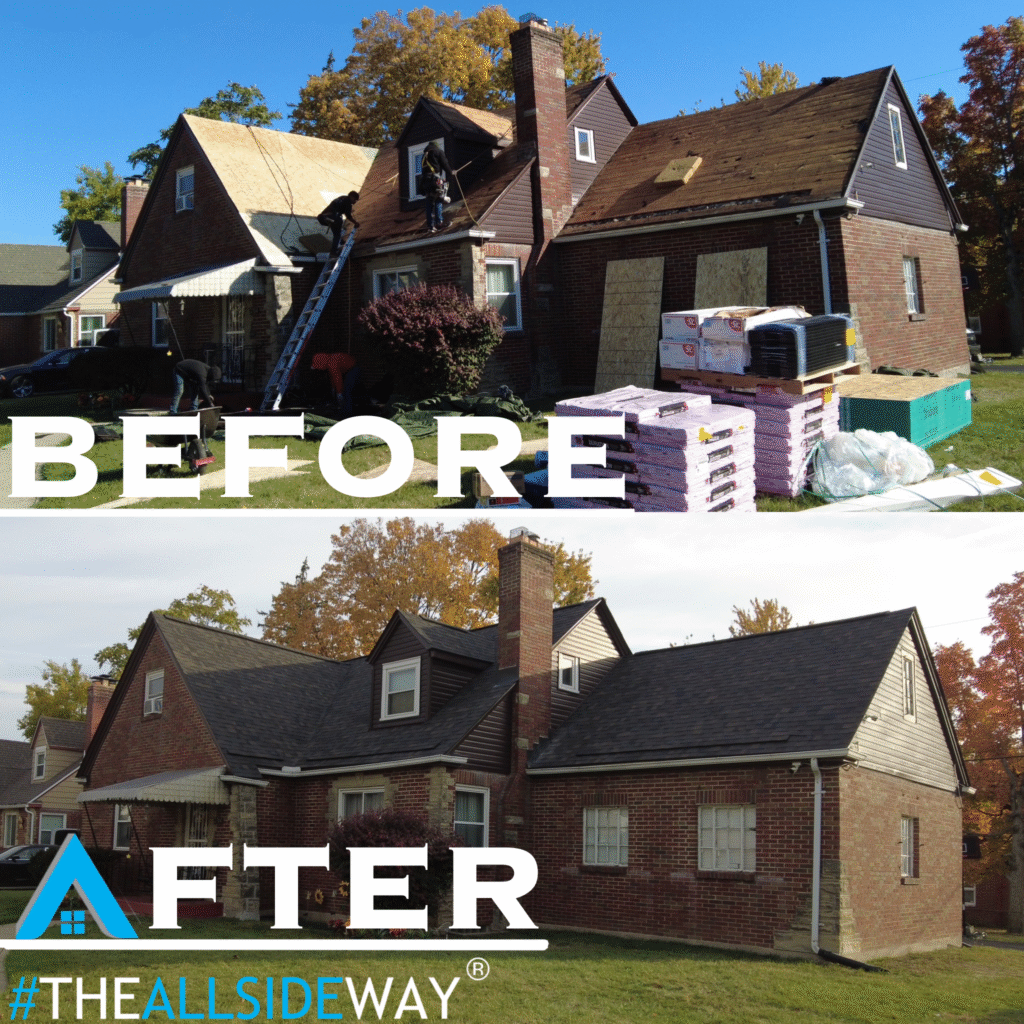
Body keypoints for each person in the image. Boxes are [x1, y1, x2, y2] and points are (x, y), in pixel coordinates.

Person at [421, 142, 451, 233]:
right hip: (435, 180)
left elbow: (423, 170)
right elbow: (445, 164)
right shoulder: (438, 152)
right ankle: (439, 223)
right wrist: (451, 172)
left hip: (425, 182)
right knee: (438, 198)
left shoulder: (424, 156)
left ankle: (430, 226)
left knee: (429, 201)